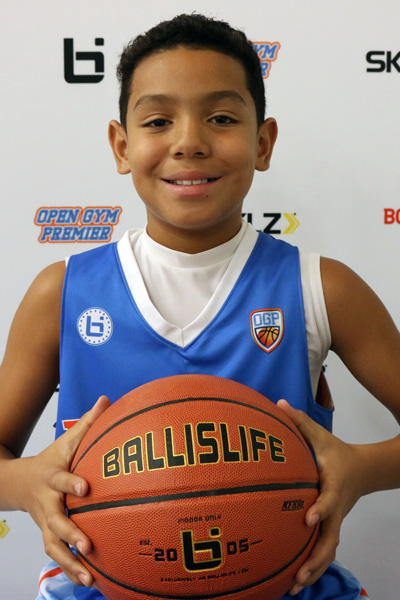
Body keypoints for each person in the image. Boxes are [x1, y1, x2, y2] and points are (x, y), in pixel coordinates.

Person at [0, 12, 399, 600]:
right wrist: (24, 483)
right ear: (122, 146)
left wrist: (361, 469)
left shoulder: (320, 287)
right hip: (99, 587)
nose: (189, 141)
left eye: (221, 118)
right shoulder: (62, 292)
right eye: (158, 121)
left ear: (263, 143)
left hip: (285, 586)